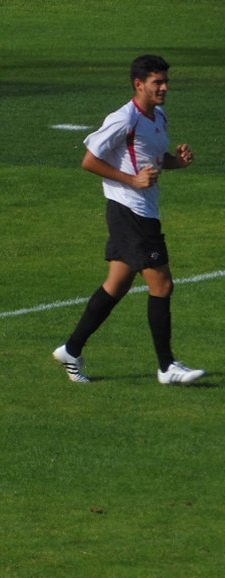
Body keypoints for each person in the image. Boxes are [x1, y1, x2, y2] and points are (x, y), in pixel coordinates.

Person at [53, 54, 204, 385]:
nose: (164, 88)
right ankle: (167, 367)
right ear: (139, 85)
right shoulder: (124, 119)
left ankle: (71, 350)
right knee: (162, 284)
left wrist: (177, 162)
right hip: (129, 211)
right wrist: (132, 180)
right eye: (157, 83)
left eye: (166, 82)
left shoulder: (158, 116)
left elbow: (154, 159)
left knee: (117, 285)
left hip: (144, 210)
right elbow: (89, 160)